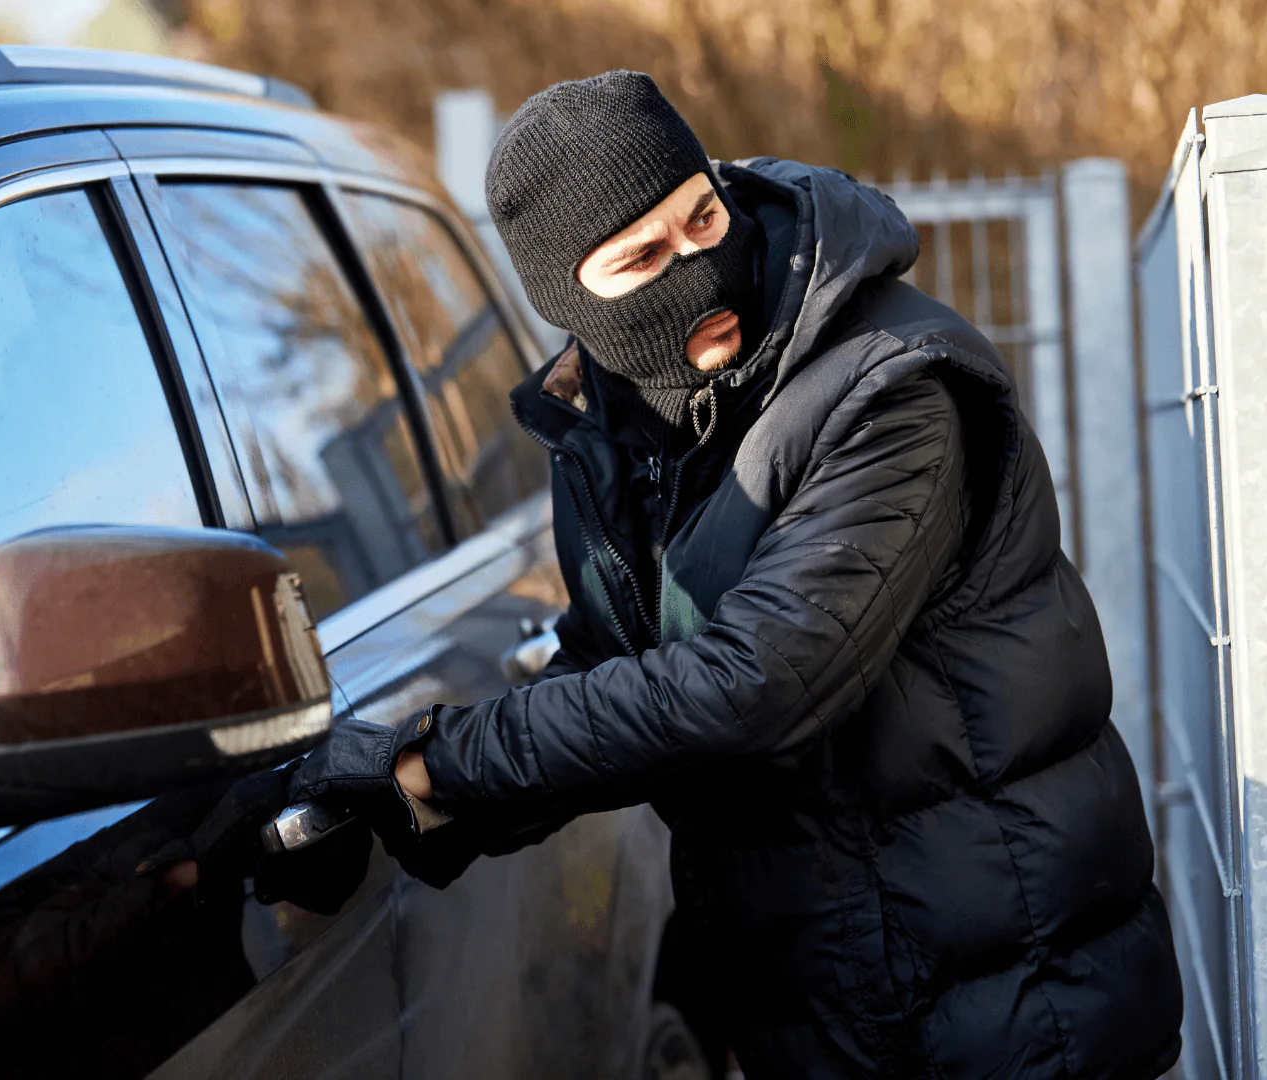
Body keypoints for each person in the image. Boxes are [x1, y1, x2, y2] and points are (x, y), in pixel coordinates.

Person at [150, 71, 1183, 1078]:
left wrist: (440, 760)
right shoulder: (619, 435)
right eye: (640, 255)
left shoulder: (893, 387)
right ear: (569, 299)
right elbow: (611, 664)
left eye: (700, 220)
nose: (694, 266)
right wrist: (394, 803)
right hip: (838, 991)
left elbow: (756, 682)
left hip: (1011, 999)